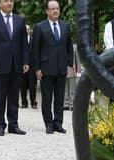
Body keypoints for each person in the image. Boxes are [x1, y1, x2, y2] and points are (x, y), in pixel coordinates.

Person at [0, 0, 29, 136]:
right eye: (6, 0)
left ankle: (13, 125)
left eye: (11, 1)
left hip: (16, 65)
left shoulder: (20, 20)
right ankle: (0, 125)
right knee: (0, 97)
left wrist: (26, 61)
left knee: (14, 97)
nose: (9, 3)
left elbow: (24, 44)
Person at [32, 0, 73, 134]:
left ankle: (58, 123)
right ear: (47, 11)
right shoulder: (39, 27)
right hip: (46, 68)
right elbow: (35, 50)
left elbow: (69, 47)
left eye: (57, 8)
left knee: (60, 99)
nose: (55, 11)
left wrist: (69, 65)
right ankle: (48, 124)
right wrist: (37, 68)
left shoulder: (66, 26)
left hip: (61, 68)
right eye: (52, 9)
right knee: (47, 99)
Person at [20, 25, 37, 109]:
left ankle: (33, 102)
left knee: (32, 85)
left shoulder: (34, 40)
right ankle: (24, 102)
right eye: (25, 29)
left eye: (28, 29)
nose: (27, 30)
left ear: (30, 30)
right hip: (22, 66)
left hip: (32, 67)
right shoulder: (19, 40)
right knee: (22, 85)